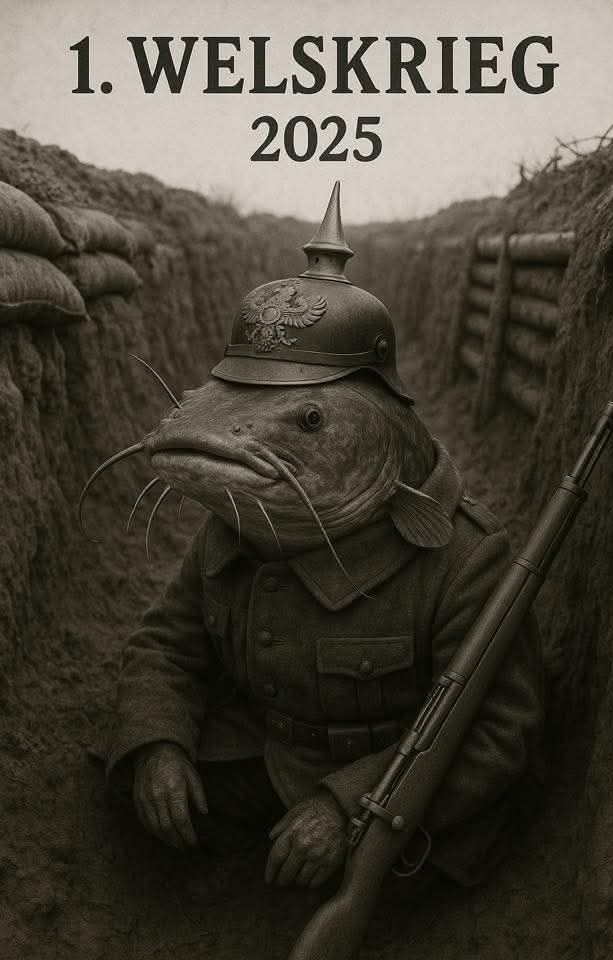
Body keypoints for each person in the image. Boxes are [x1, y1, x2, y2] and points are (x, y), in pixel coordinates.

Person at [106, 182, 544, 891]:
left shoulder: (464, 561)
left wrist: (349, 808)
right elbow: (167, 645)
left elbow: (496, 731)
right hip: (263, 750)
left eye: (308, 421)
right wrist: (158, 744)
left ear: (383, 430)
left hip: (388, 803)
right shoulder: (245, 516)